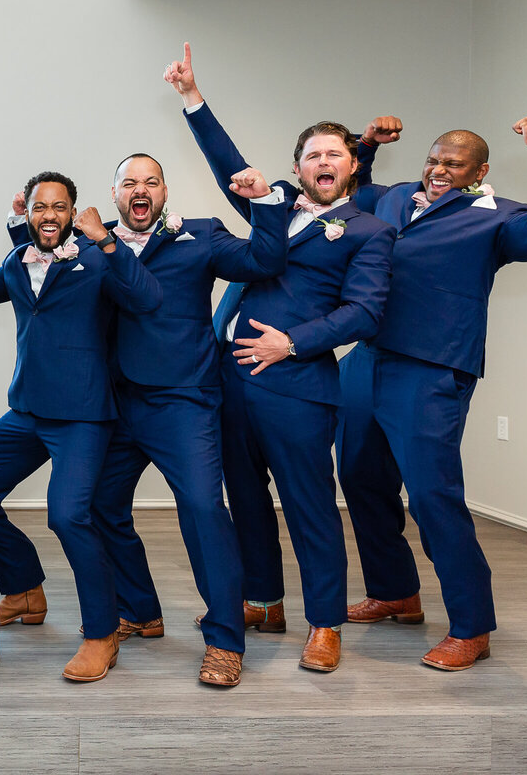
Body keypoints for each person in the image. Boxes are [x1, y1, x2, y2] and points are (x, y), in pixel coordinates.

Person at [2, 148, 288, 686]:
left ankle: (226, 638)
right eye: (128, 182)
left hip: (183, 402)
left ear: (163, 192)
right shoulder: (87, 236)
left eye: (151, 182)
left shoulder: (201, 235)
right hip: (111, 403)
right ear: (112, 195)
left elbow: (265, 261)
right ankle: (140, 610)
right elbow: (38, 266)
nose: (140, 189)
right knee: (102, 508)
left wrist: (266, 202)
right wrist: (22, 220)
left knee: (204, 509)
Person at [169, 42, 394, 674]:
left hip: (297, 385)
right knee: (244, 496)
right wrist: (193, 98)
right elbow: (229, 169)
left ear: (351, 166)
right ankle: (262, 600)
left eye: (334, 154)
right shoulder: (275, 210)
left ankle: (325, 623)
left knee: (309, 506)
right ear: (297, 167)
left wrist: (290, 343)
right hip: (231, 381)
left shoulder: (371, 233)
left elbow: (365, 312)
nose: (323, 162)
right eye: (312, 155)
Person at [337, 112, 527, 670]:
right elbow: (353, 192)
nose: (439, 170)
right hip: (365, 357)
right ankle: (395, 592)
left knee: (431, 496)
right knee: (358, 477)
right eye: (433, 160)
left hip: (430, 369)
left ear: (479, 172)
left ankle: (471, 626)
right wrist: (368, 146)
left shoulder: (496, 218)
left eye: (453, 164)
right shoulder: (397, 197)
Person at [0, 172, 161, 683]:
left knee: (69, 517)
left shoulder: (96, 259)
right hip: (28, 409)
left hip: (83, 415)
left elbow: (145, 299)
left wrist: (107, 241)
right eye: (39, 206)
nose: (49, 214)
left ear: (74, 211)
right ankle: (24, 588)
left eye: (59, 206)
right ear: (26, 212)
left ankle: (102, 633)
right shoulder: (15, 259)